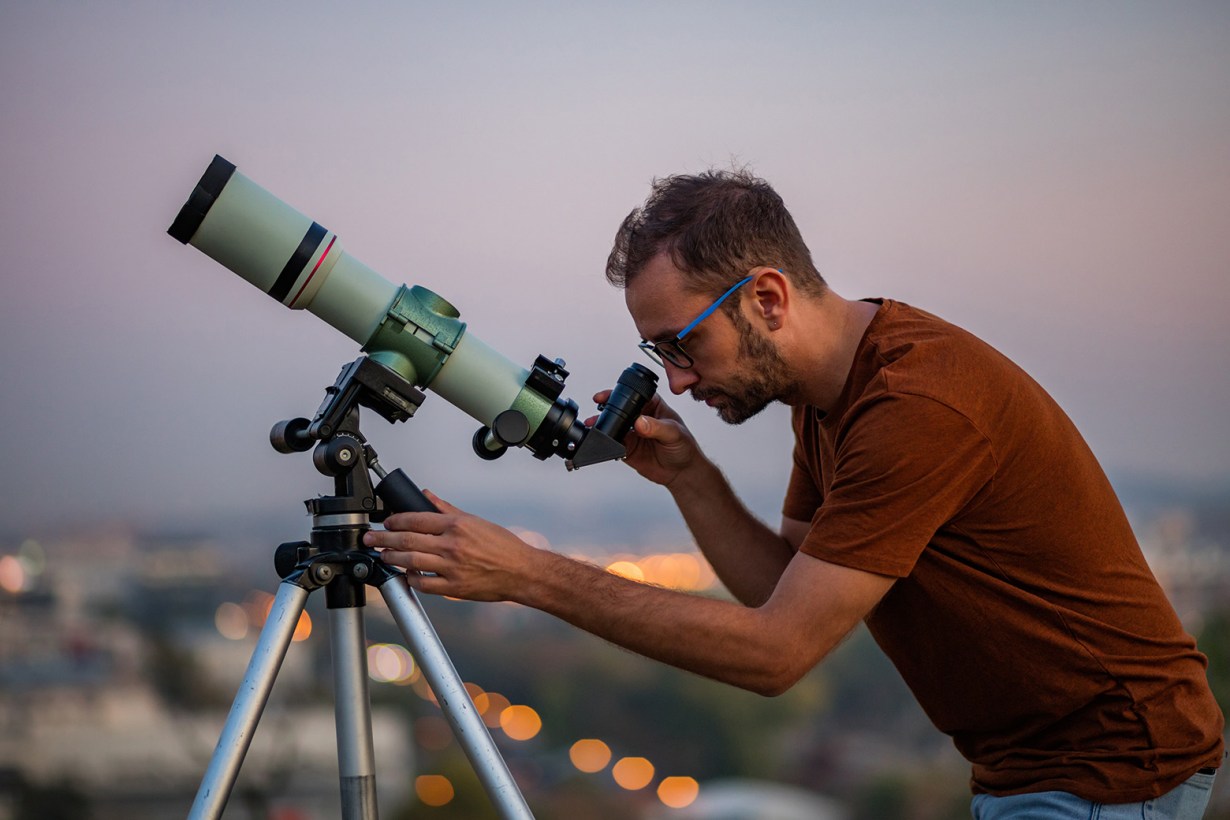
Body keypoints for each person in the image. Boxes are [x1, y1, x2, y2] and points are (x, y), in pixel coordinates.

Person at [365, 170, 1224, 818]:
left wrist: (529, 575)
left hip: (1115, 769)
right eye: (660, 355)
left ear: (767, 297)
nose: (677, 377)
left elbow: (775, 655)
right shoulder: (828, 397)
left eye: (681, 343)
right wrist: (689, 478)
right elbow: (781, 588)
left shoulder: (915, 407)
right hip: (1040, 771)